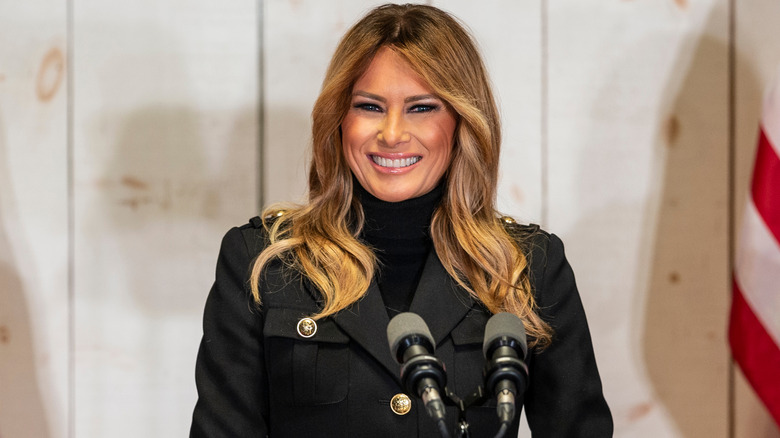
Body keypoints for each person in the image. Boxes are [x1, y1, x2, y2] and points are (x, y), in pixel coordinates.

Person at [190, 4, 612, 437]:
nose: (391, 134)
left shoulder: (528, 266)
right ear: (339, 120)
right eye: (370, 106)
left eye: (421, 108)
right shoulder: (262, 261)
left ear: (462, 121)